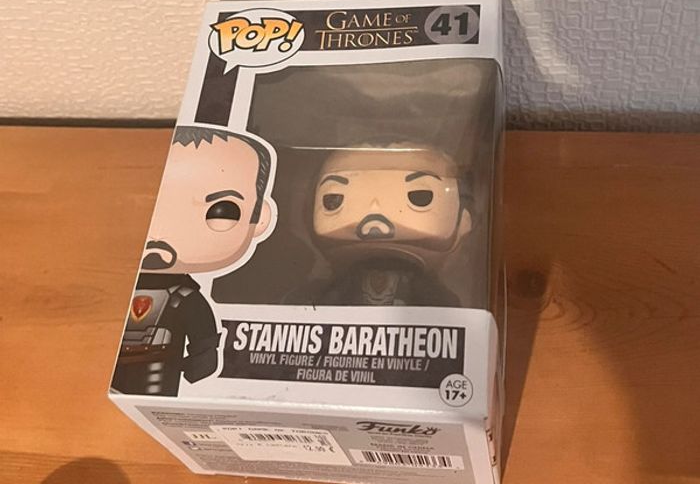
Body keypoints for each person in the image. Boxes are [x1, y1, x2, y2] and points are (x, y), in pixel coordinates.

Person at [112, 125, 275, 395]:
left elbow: (203, 342)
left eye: (221, 210)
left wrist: (198, 363)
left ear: (259, 219)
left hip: (158, 374)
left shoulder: (185, 298)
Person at [307, 143, 471, 306]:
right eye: (333, 197)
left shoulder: (422, 285)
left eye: (420, 195)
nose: (374, 216)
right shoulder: (344, 284)